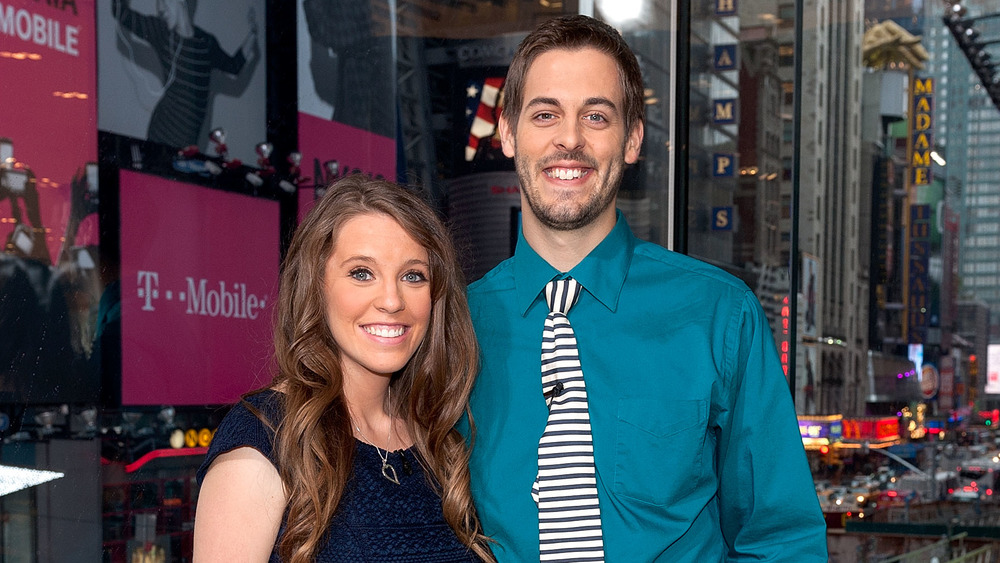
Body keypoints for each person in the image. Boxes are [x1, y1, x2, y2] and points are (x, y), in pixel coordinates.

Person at [466, 15, 828, 562]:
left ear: (632, 139)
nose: (570, 139)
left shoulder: (718, 315)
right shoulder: (454, 325)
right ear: (509, 133)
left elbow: (781, 539)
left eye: (596, 115)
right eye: (545, 115)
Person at [194, 175, 491, 562]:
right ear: (317, 287)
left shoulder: (441, 442)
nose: (391, 299)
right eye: (361, 273)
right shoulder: (266, 441)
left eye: (412, 275)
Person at [111, 0, 259, 149]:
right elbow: (119, 12)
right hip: (161, 137)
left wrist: (253, 33)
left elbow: (234, 66)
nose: (160, 8)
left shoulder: (206, 43)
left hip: (188, 143)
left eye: (163, 1)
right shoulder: (161, 32)